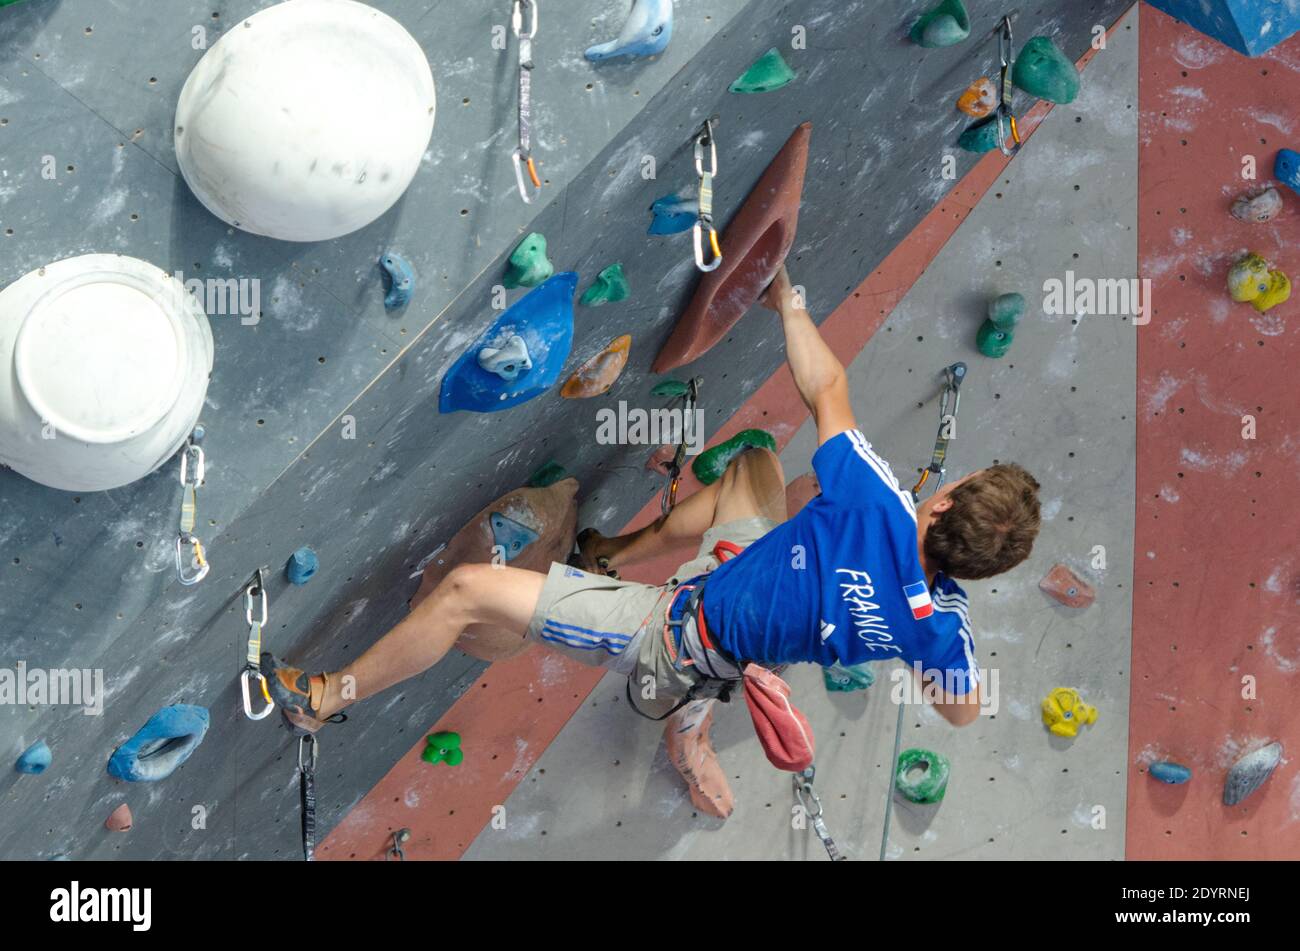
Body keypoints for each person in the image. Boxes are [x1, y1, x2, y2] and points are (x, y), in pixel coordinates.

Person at [263, 264, 1042, 819]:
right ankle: (610, 555)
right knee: (757, 469)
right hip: (744, 613)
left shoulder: (877, 502)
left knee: (468, 591)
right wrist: (890, 631)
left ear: (941, 512)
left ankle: (326, 701)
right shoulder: (941, 626)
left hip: (664, 635)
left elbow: (826, 388)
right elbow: (964, 711)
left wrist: (787, 299)